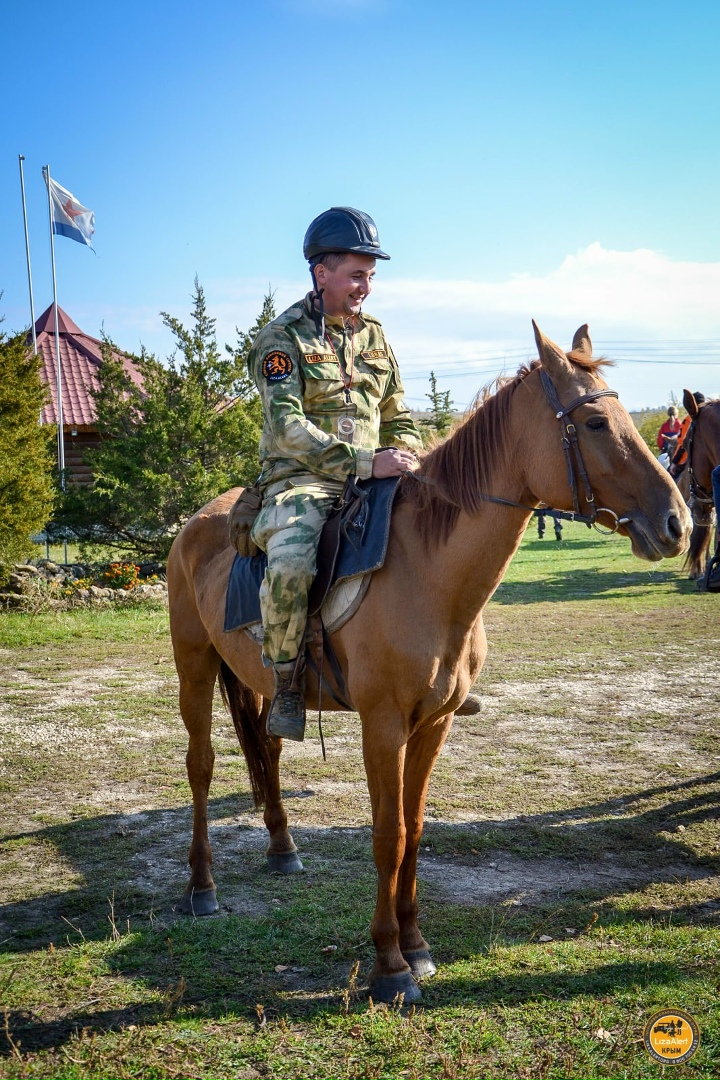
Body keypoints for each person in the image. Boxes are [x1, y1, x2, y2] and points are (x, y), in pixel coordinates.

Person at [248, 207, 423, 741]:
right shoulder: (281, 339)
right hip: (301, 480)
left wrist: (409, 454)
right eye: (356, 275)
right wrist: (365, 462)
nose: (365, 287)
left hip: (377, 476)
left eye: (370, 276)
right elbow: (287, 428)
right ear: (321, 273)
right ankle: (286, 683)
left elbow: (398, 414)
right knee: (291, 562)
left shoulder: (376, 337)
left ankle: (433, 672)